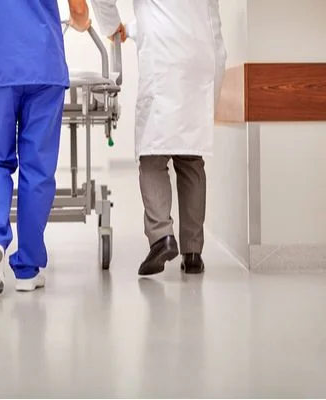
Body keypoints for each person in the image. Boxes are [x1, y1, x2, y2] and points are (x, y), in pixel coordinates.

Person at [0, 0, 91, 295]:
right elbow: (79, 12)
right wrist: (83, 24)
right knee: (38, 169)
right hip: (44, 64)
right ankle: (27, 270)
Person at [90, 0, 227, 275]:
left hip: (163, 60)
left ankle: (162, 235)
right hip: (200, 60)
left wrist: (111, 25)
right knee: (191, 158)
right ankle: (193, 254)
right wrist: (213, 88)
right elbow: (203, 22)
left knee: (153, 156)